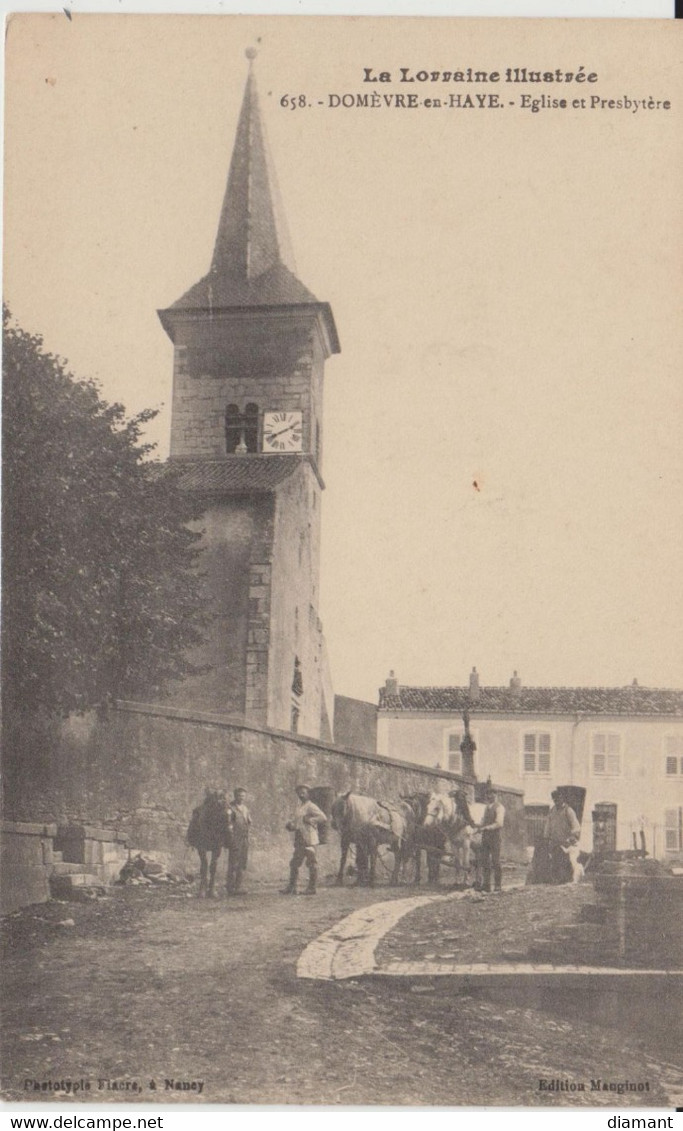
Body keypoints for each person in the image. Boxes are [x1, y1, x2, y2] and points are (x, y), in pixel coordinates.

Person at [282, 784, 327, 896]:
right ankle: (292, 887)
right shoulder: (299, 807)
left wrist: (311, 819)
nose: (301, 795)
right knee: (294, 863)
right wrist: (291, 826)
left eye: (303, 792)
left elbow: (323, 817)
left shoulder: (311, 806)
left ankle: (312, 888)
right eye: (299, 793)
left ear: (308, 794)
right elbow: (298, 823)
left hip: (310, 838)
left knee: (311, 862)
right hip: (300, 838)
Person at [545, 789, 581, 884]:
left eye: (558, 799)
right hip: (554, 840)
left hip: (565, 841)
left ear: (562, 799)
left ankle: (566, 879)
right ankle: (557, 880)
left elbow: (576, 825)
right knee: (555, 861)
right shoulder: (552, 810)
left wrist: (572, 836)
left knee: (565, 861)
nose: (557, 801)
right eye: (555, 800)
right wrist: (546, 836)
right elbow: (548, 825)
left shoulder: (568, 810)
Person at [478, 785, 506, 893]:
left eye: (492, 794)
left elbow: (499, 823)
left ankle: (498, 885)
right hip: (485, 837)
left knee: (495, 861)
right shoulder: (486, 807)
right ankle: (486, 885)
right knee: (485, 861)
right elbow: (483, 820)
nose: (489, 796)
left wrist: (486, 827)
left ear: (496, 795)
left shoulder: (499, 807)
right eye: (488, 794)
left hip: (495, 837)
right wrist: (478, 826)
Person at [226, 787, 251, 895]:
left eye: (243, 796)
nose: (241, 798)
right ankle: (230, 887)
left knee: (242, 862)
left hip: (244, 838)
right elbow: (228, 824)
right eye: (239, 795)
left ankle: (238, 886)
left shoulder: (245, 808)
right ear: (235, 796)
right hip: (235, 838)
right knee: (233, 862)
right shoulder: (230, 808)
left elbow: (248, 822)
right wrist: (231, 838)